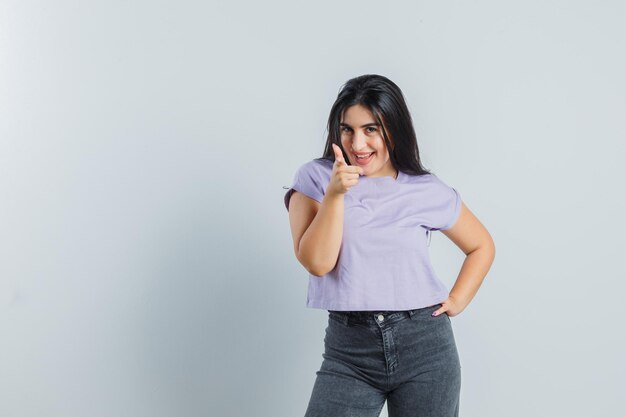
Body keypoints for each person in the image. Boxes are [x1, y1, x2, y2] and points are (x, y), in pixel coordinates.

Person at [283, 74, 495, 417]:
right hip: (349, 352)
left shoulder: (425, 188)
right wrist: (336, 194)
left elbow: (481, 246)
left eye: (371, 129)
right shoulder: (315, 179)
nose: (357, 143)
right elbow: (317, 262)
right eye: (347, 129)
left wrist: (457, 300)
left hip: (426, 348)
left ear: (393, 128)